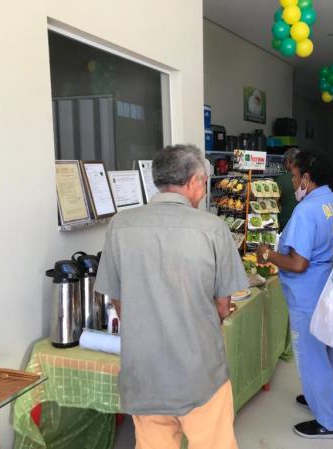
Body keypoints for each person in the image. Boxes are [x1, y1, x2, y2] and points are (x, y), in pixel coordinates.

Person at [95, 145, 248, 449]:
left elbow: (117, 299)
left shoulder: (121, 226)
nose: (203, 192)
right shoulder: (213, 229)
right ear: (193, 181)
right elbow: (222, 304)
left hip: (145, 370)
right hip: (199, 370)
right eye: (204, 183)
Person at [256, 150, 333, 439]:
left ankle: (329, 422)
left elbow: (298, 262)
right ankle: (317, 396)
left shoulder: (306, 210)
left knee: (311, 356)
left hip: (307, 292)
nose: (293, 182)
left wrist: (268, 254)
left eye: (294, 176)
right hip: (326, 287)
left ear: (306, 177)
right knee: (325, 350)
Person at [277, 147, 300, 230]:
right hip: (301, 222)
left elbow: (274, 202)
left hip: (286, 222)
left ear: (287, 161)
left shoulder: (281, 179)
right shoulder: (307, 178)